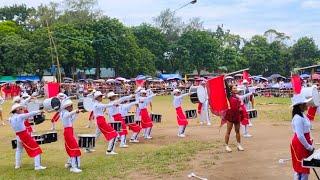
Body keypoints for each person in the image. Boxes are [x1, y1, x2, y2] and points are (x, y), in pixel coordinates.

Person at [9, 103, 46, 170]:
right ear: (17, 110)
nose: (22, 110)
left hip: (18, 136)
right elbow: (30, 114)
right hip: (24, 135)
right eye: (20, 109)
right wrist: (39, 111)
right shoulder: (20, 116)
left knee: (19, 150)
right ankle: (37, 166)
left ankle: (17, 165)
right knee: (36, 148)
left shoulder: (11, 119)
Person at [290, 94, 314, 180]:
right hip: (300, 144)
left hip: (303, 143)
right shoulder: (298, 118)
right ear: (300, 105)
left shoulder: (302, 115)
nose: (307, 105)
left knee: (303, 167)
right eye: (305, 103)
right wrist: (309, 147)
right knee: (302, 168)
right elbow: (300, 135)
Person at [93, 91, 119, 155]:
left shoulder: (97, 103)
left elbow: (103, 107)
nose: (102, 97)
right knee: (114, 134)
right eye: (100, 96)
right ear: (97, 97)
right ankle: (109, 151)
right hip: (101, 121)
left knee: (96, 135)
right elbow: (105, 105)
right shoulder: (97, 104)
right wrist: (113, 104)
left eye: (101, 96)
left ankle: (88, 147)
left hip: (100, 121)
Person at [60, 99, 82, 173]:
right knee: (73, 148)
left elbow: (71, 121)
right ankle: (73, 167)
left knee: (73, 148)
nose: (72, 107)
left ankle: (71, 164)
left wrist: (76, 114)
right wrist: (75, 111)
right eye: (71, 106)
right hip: (68, 133)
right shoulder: (64, 113)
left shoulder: (66, 113)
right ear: (67, 107)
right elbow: (68, 115)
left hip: (69, 132)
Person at [224, 84, 245, 152]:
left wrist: (240, 109)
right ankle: (226, 146)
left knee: (237, 131)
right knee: (228, 131)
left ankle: (239, 145)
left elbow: (238, 106)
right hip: (230, 115)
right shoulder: (229, 96)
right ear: (231, 90)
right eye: (234, 88)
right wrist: (225, 80)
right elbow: (227, 89)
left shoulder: (237, 97)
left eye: (236, 88)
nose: (235, 89)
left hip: (237, 115)